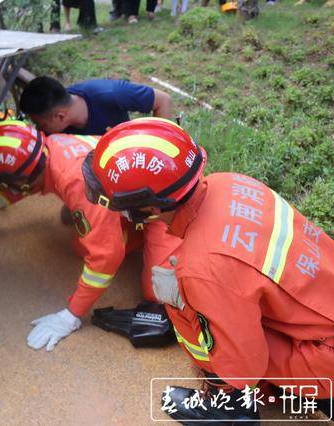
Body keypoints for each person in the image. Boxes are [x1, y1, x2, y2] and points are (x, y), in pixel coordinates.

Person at [83, 118, 334, 422]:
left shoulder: (202, 268)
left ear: (150, 209)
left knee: (188, 309)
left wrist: (190, 303)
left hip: (324, 357)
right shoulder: (227, 182)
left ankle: (227, 407)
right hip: (320, 308)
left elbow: (245, 366)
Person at [0, 119, 182, 352]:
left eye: (12, 185)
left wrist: (71, 315)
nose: (12, 191)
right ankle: (130, 231)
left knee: (158, 291)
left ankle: (162, 239)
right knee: (82, 242)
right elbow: (8, 194)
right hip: (140, 195)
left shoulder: (76, 182)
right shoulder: (47, 148)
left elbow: (105, 258)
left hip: (165, 209)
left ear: (23, 182)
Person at [19, 76, 172, 136]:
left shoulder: (110, 94)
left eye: (41, 125)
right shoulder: (56, 123)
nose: (40, 130)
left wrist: (156, 144)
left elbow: (163, 100)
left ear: (60, 117)